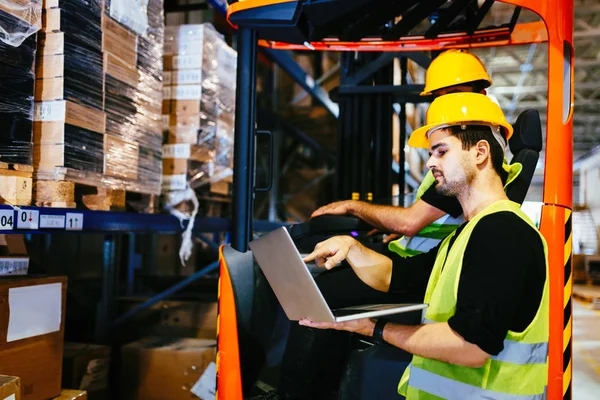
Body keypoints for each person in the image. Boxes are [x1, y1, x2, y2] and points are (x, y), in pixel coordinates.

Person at [299, 93, 549, 399]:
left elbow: (469, 347)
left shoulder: (502, 232)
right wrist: (351, 248)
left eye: (441, 152)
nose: (431, 162)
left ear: (480, 152)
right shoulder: (467, 234)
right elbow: (401, 276)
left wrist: (372, 328)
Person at [312, 49, 515, 257]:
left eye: (456, 93)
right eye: (438, 98)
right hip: (417, 258)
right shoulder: (454, 162)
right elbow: (416, 225)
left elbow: (409, 222)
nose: (446, 105)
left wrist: (352, 206)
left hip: (417, 264)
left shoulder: (465, 164)